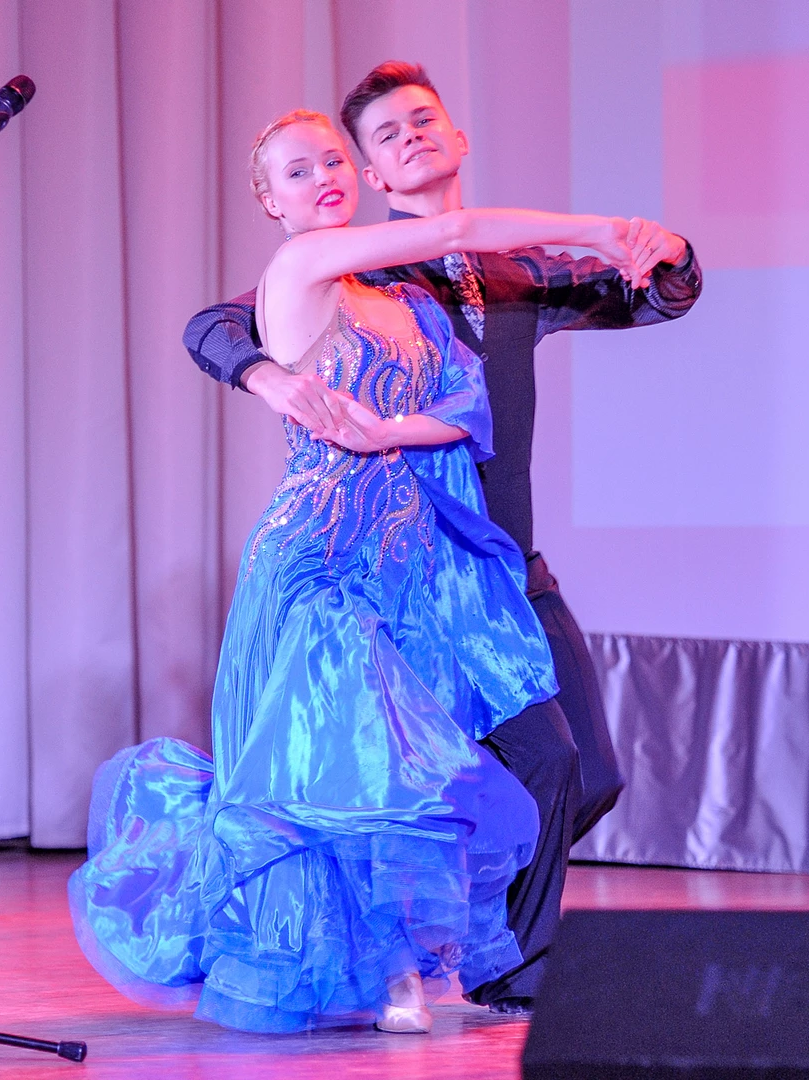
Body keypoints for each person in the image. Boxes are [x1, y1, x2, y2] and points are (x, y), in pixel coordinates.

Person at [70, 108, 646, 1035]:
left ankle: (424, 954)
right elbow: (457, 228)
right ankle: (389, 970)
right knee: (351, 760)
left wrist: (388, 431)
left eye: (332, 161)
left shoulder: (404, 300)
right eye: (297, 172)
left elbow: (463, 410)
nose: (323, 179)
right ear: (269, 201)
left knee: (460, 759)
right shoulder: (300, 266)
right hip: (325, 555)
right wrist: (600, 231)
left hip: (421, 561)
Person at [183, 61, 701, 1012]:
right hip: (394, 564)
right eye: (384, 135)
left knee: (583, 770)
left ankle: (464, 932)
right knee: (431, 773)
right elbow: (216, 322)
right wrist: (265, 376)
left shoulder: (516, 272)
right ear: (372, 175)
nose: (410, 138)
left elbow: (648, 294)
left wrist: (661, 252)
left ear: (457, 138)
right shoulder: (359, 266)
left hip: (504, 564)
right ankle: (501, 968)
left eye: (423, 120)